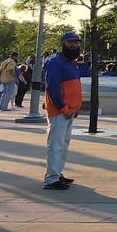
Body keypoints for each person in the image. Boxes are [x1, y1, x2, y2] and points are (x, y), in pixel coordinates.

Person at [42, 31, 84, 190]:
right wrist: (63, 108)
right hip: (60, 111)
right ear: (63, 43)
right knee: (56, 144)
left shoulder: (72, 62)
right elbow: (52, 87)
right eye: (70, 42)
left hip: (68, 111)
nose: (74, 45)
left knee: (63, 144)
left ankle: (57, 172)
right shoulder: (56, 62)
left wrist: (76, 107)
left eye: (76, 42)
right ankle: (51, 178)